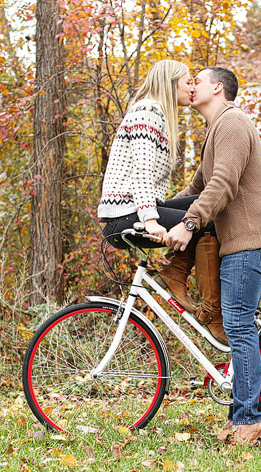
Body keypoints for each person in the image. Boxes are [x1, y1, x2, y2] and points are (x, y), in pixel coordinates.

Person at [165, 67, 261, 445]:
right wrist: (156, 216)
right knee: (235, 326)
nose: (190, 86)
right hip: (240, 245)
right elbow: (197, 188)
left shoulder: (232, 123)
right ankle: (239, 418)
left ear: (217, 87)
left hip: (250, 245)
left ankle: (249, 419)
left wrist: (188, 223)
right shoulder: (217, 129)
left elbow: (223, 184)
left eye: (196, 80)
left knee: (238, 326)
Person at [97, 59, 227, 344]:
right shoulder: (148, 111)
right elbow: (140, 174)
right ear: (171, 84)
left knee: (208, 207)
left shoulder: (158, 115)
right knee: (207, 220)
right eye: (188, 81)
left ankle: (175, 275)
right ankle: (211, 311)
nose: (192, 88)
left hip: (137, 208)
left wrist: (165, 211)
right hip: (125, 214)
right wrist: (151, 220)